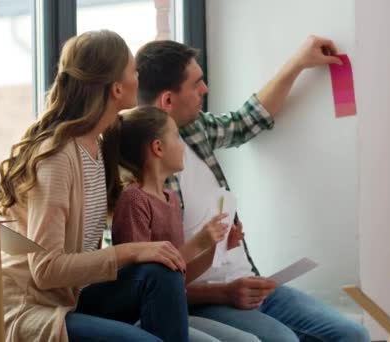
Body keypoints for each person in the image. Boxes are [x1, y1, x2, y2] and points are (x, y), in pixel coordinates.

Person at [134, 36, 371, 341]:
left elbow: (247, 121)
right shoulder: (141, 176)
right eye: (196, 84)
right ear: (168, 101)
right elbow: (157, 286)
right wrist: (225, 293)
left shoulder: (195, 130)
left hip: (251, 283)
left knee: (353, 335)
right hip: (207, 301)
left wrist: (299, 62)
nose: (205, 90)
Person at [0, 30, 189, 342]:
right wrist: (133, 251)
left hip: (72, 297)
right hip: (33, 309)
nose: (138, 78)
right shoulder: (56, 158)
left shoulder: (99, 145)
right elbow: (46, 270)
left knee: (163, 273)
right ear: (116, 88)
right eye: (132, 70)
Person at [102, 105, 258, 342]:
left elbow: (179, 277)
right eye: (176, 137)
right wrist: (198, 243)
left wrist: (217, 246)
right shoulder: (134, 200)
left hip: (173, 309)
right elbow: (146, 280)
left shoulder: (171, 199)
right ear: (158, 147)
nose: (183, 145)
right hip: (146, 316)